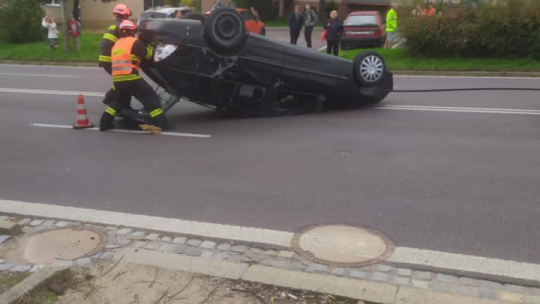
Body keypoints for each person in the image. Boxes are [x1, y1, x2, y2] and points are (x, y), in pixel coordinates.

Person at [99, 20, 168, 132]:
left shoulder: (116, 44)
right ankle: (162, 124)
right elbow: (147, 54)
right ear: (132, 31)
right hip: (131, 78)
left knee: (118, 101)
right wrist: (151, 44)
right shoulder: (133, 42)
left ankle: (104, 124)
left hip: (118, 79)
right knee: (150, 98)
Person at [98, 3, 132, 107]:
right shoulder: (123, 26)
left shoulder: (114, 25)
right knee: (126, 81)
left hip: (105, 59)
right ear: (125, 15)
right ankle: (119, 105)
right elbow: (129, 42)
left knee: (122, 82)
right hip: (111, 59)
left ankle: (111, 99)